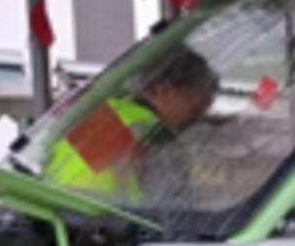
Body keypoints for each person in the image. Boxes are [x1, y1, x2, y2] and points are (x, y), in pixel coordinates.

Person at [46, 50, 220, 200]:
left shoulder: (100, 112)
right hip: (104, 221)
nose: (199, 116)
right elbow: (174, 206)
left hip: (59, 211)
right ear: (164, 90)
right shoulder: (155, 133)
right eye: (195, 103)